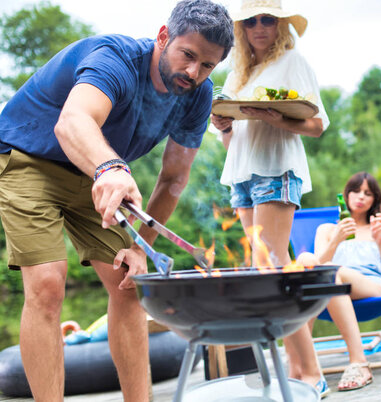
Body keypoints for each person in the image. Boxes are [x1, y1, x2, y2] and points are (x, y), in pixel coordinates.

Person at [0, 1, 233, 400]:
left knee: (129, 283)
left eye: (207, 65)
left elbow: (174, 179)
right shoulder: (116, 59)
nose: (193, 72)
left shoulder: (197, 96)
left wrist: (142, 247)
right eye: (188, 55)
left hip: (97, 175)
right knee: (48, 284)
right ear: (164, 37)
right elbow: (73, 122)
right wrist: (110, 168)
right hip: (29, 159)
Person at [210, 0, 330, 397]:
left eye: (267, 19)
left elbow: (316, 125)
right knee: (267, 274)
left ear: (279, 24)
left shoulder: (294, 62)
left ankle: (312, 372)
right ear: (242, 28)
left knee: (273, 272)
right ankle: (296, 370)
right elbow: (229, 135)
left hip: (277, 167)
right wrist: (221, 123)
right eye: (251, 21)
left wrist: (280, 119)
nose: (259, 26)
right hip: (242, 172)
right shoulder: (236, 71)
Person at [304, 172, 381, 390]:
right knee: (320, 272)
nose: (361, 197)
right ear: (346, 195)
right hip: (334, 286)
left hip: (374, 285)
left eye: (368, 193)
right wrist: (337, 239)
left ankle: (356, 362)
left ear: (375, 199)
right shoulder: (327, 230)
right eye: (356, 191)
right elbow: (313, 268)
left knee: (328, 272)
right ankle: (311, 362)